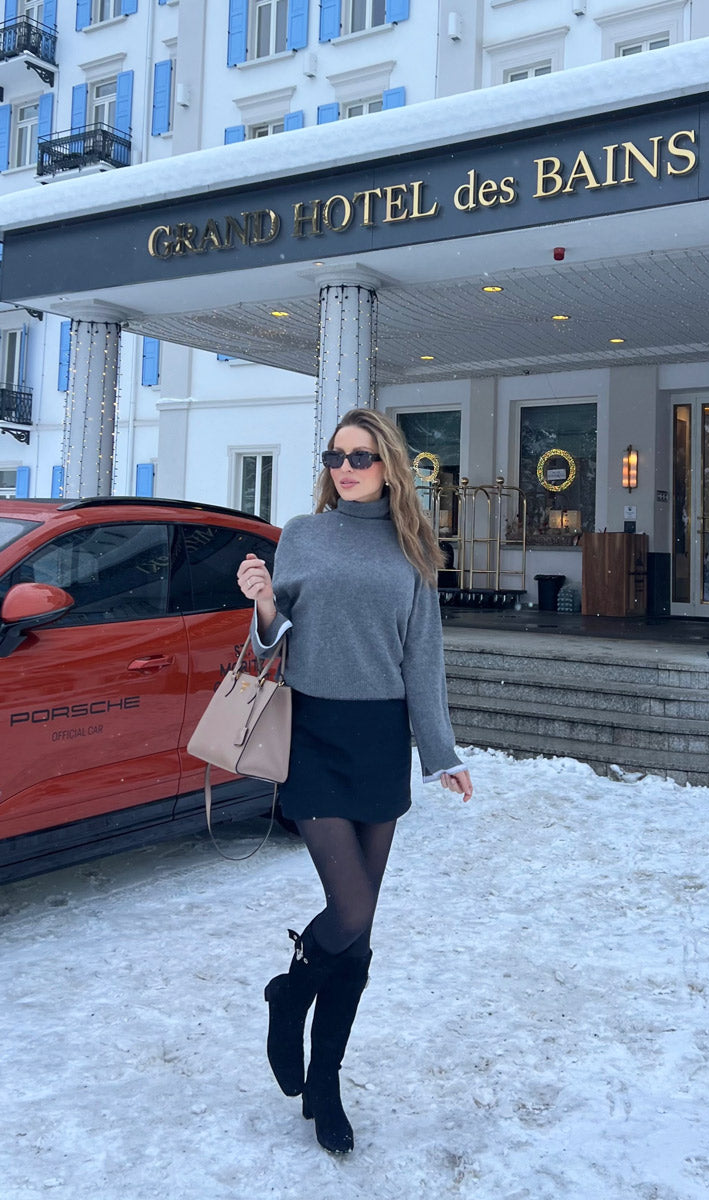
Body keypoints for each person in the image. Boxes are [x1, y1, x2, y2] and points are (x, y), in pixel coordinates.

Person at [236, 408, 473, 1155]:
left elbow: (422, 660)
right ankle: (291, 995)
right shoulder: (303, 534)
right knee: (351, 904)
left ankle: (326, 1081)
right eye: (336, 455)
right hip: (311, 733)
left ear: (388, 465)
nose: (345, 467)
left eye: (361, 456)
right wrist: (265, 604)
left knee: (360, 934)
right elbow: (272, 640)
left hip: (378, 740)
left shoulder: (413, 546)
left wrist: (441, 753)